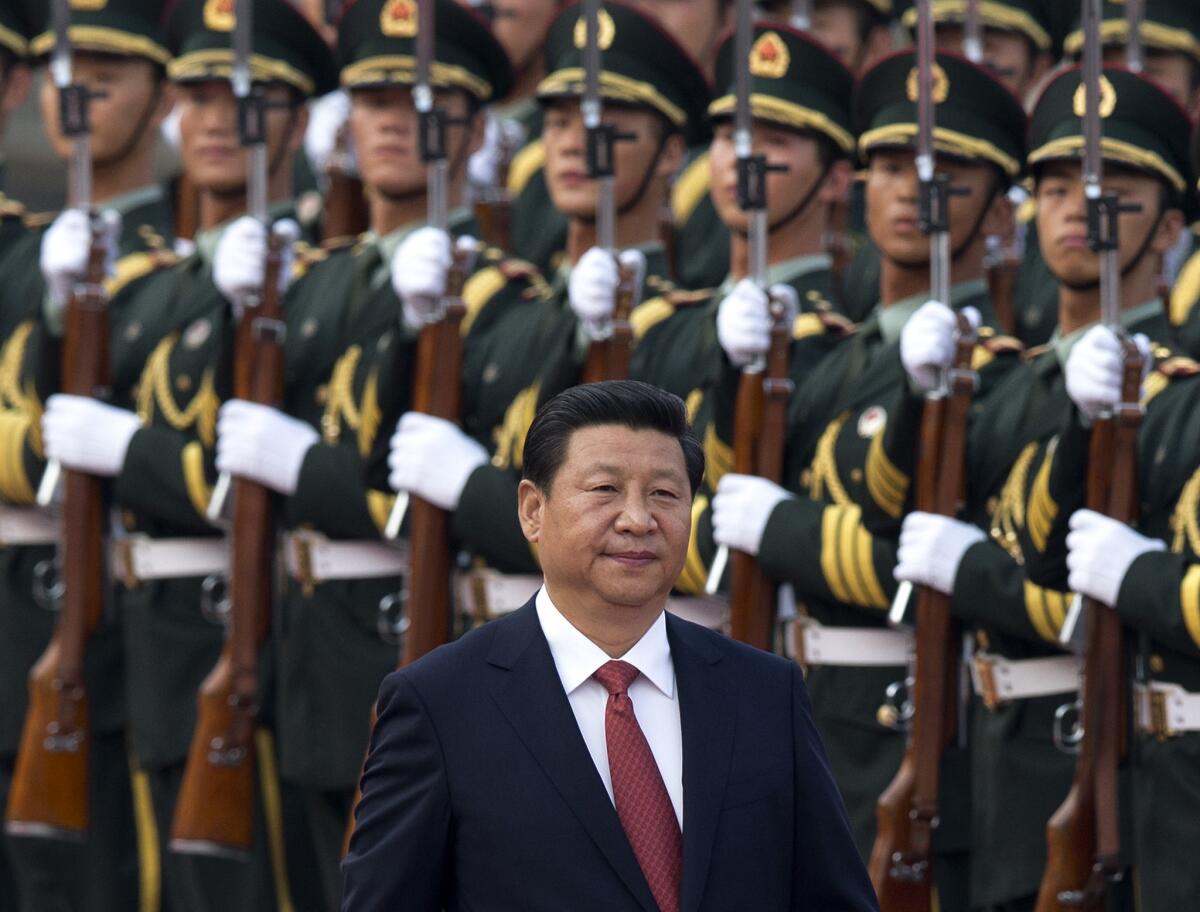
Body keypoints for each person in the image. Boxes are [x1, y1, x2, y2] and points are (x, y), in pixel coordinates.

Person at [344, 379, 878, 912]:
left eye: (665, 494)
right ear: (533, 510)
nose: (638, 520)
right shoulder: (441, 703)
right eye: (605, 490)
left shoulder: (765, 692)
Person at [209, 1, 523, 905]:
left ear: (473, 129)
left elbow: (437, 486)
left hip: (407, 637)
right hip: (300, 649)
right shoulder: (319, 275)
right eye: (375, 98)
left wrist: (302, 465)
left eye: (423, 100)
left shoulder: (498, 293)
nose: (393, 121)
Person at [37, 1, 336, 908]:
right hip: (143, 641)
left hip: (259, 634)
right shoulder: (149, 279)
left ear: (296, 120)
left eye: (246, 99)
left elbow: (285, 470)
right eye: (199, 96)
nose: (218, 122)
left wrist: (134, 450)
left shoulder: (322, 277)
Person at [706, 52, 1025, 898]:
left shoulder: (996, 374)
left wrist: (782, 529)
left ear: (998, 209)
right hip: (805, 716)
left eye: (948, 175)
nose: (911, 192)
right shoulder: (835, 360)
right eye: (888, 166)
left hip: (902, 724)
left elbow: (918, 555)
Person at [887, 64, 1193, 910]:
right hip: (978, 755)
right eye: (1054, 186)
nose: (1077, 208)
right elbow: (901, 521)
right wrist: (918, 399)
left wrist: (978, 572)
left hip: (1094, 758)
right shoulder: (1004, 385)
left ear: (1171, 227)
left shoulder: (1175, 400)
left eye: (1113, 188)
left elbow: (1074, 587)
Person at [0, 2, 177, 909]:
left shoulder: (181, 269)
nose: (85, 91)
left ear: (164, 94)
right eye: (74, 68)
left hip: (82, 617)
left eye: (112, 72)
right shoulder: (22, 248)